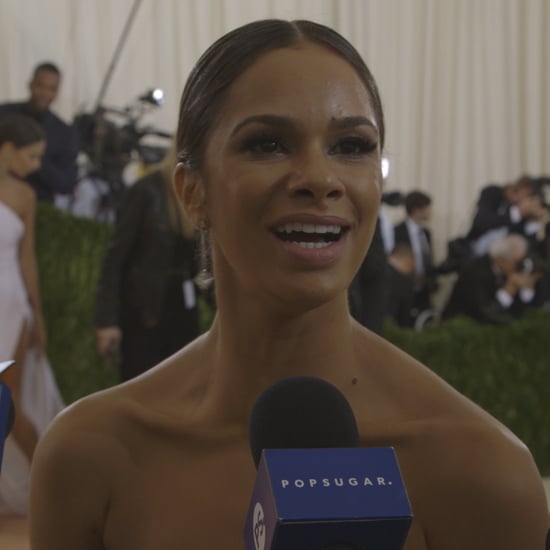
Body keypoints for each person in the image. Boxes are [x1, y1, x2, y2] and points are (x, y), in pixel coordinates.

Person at [29, 19, 548, 549]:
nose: (321, 179)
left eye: (351, 145)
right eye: (268, 144)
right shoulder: (90, 458)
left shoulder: (482, 472)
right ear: (192, 192)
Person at [94, 142, 201, 381]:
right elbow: (115, 258)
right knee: (142, 386)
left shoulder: (198, 197)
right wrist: (106, 321)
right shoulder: (147, 191)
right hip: (143, 310)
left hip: (183, 309)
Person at [0, 114, 64, 515]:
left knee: (9, 403)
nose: (37, 165)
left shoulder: (24, 196)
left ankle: (55, 485)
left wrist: (37, 317)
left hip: (8, 306)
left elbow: (28, 261)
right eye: (33, 155)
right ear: (8, 149)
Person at [0, 62, 79, 203]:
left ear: (57, 92)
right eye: (40, 86)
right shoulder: (5, 113)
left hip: (38, 205)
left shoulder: (65, 133)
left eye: (51, 89)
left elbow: (67, 183)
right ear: (31, 84)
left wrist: (32, 159)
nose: (44, 93)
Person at [442, 233, 543, 324]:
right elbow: (485, 315)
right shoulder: (475, 272)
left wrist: (526, 289)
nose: (519, 267)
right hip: (458, 327)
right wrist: (507, 292)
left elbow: (522, 314)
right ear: (501, 260)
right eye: (517, 263)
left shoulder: (508, 272)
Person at [393, 190, 437, 318]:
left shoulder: (426, 233)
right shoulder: (397, 231)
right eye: (427, 207)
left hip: (424, 289)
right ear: (417, 209)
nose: (430, 211)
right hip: (405, 287)